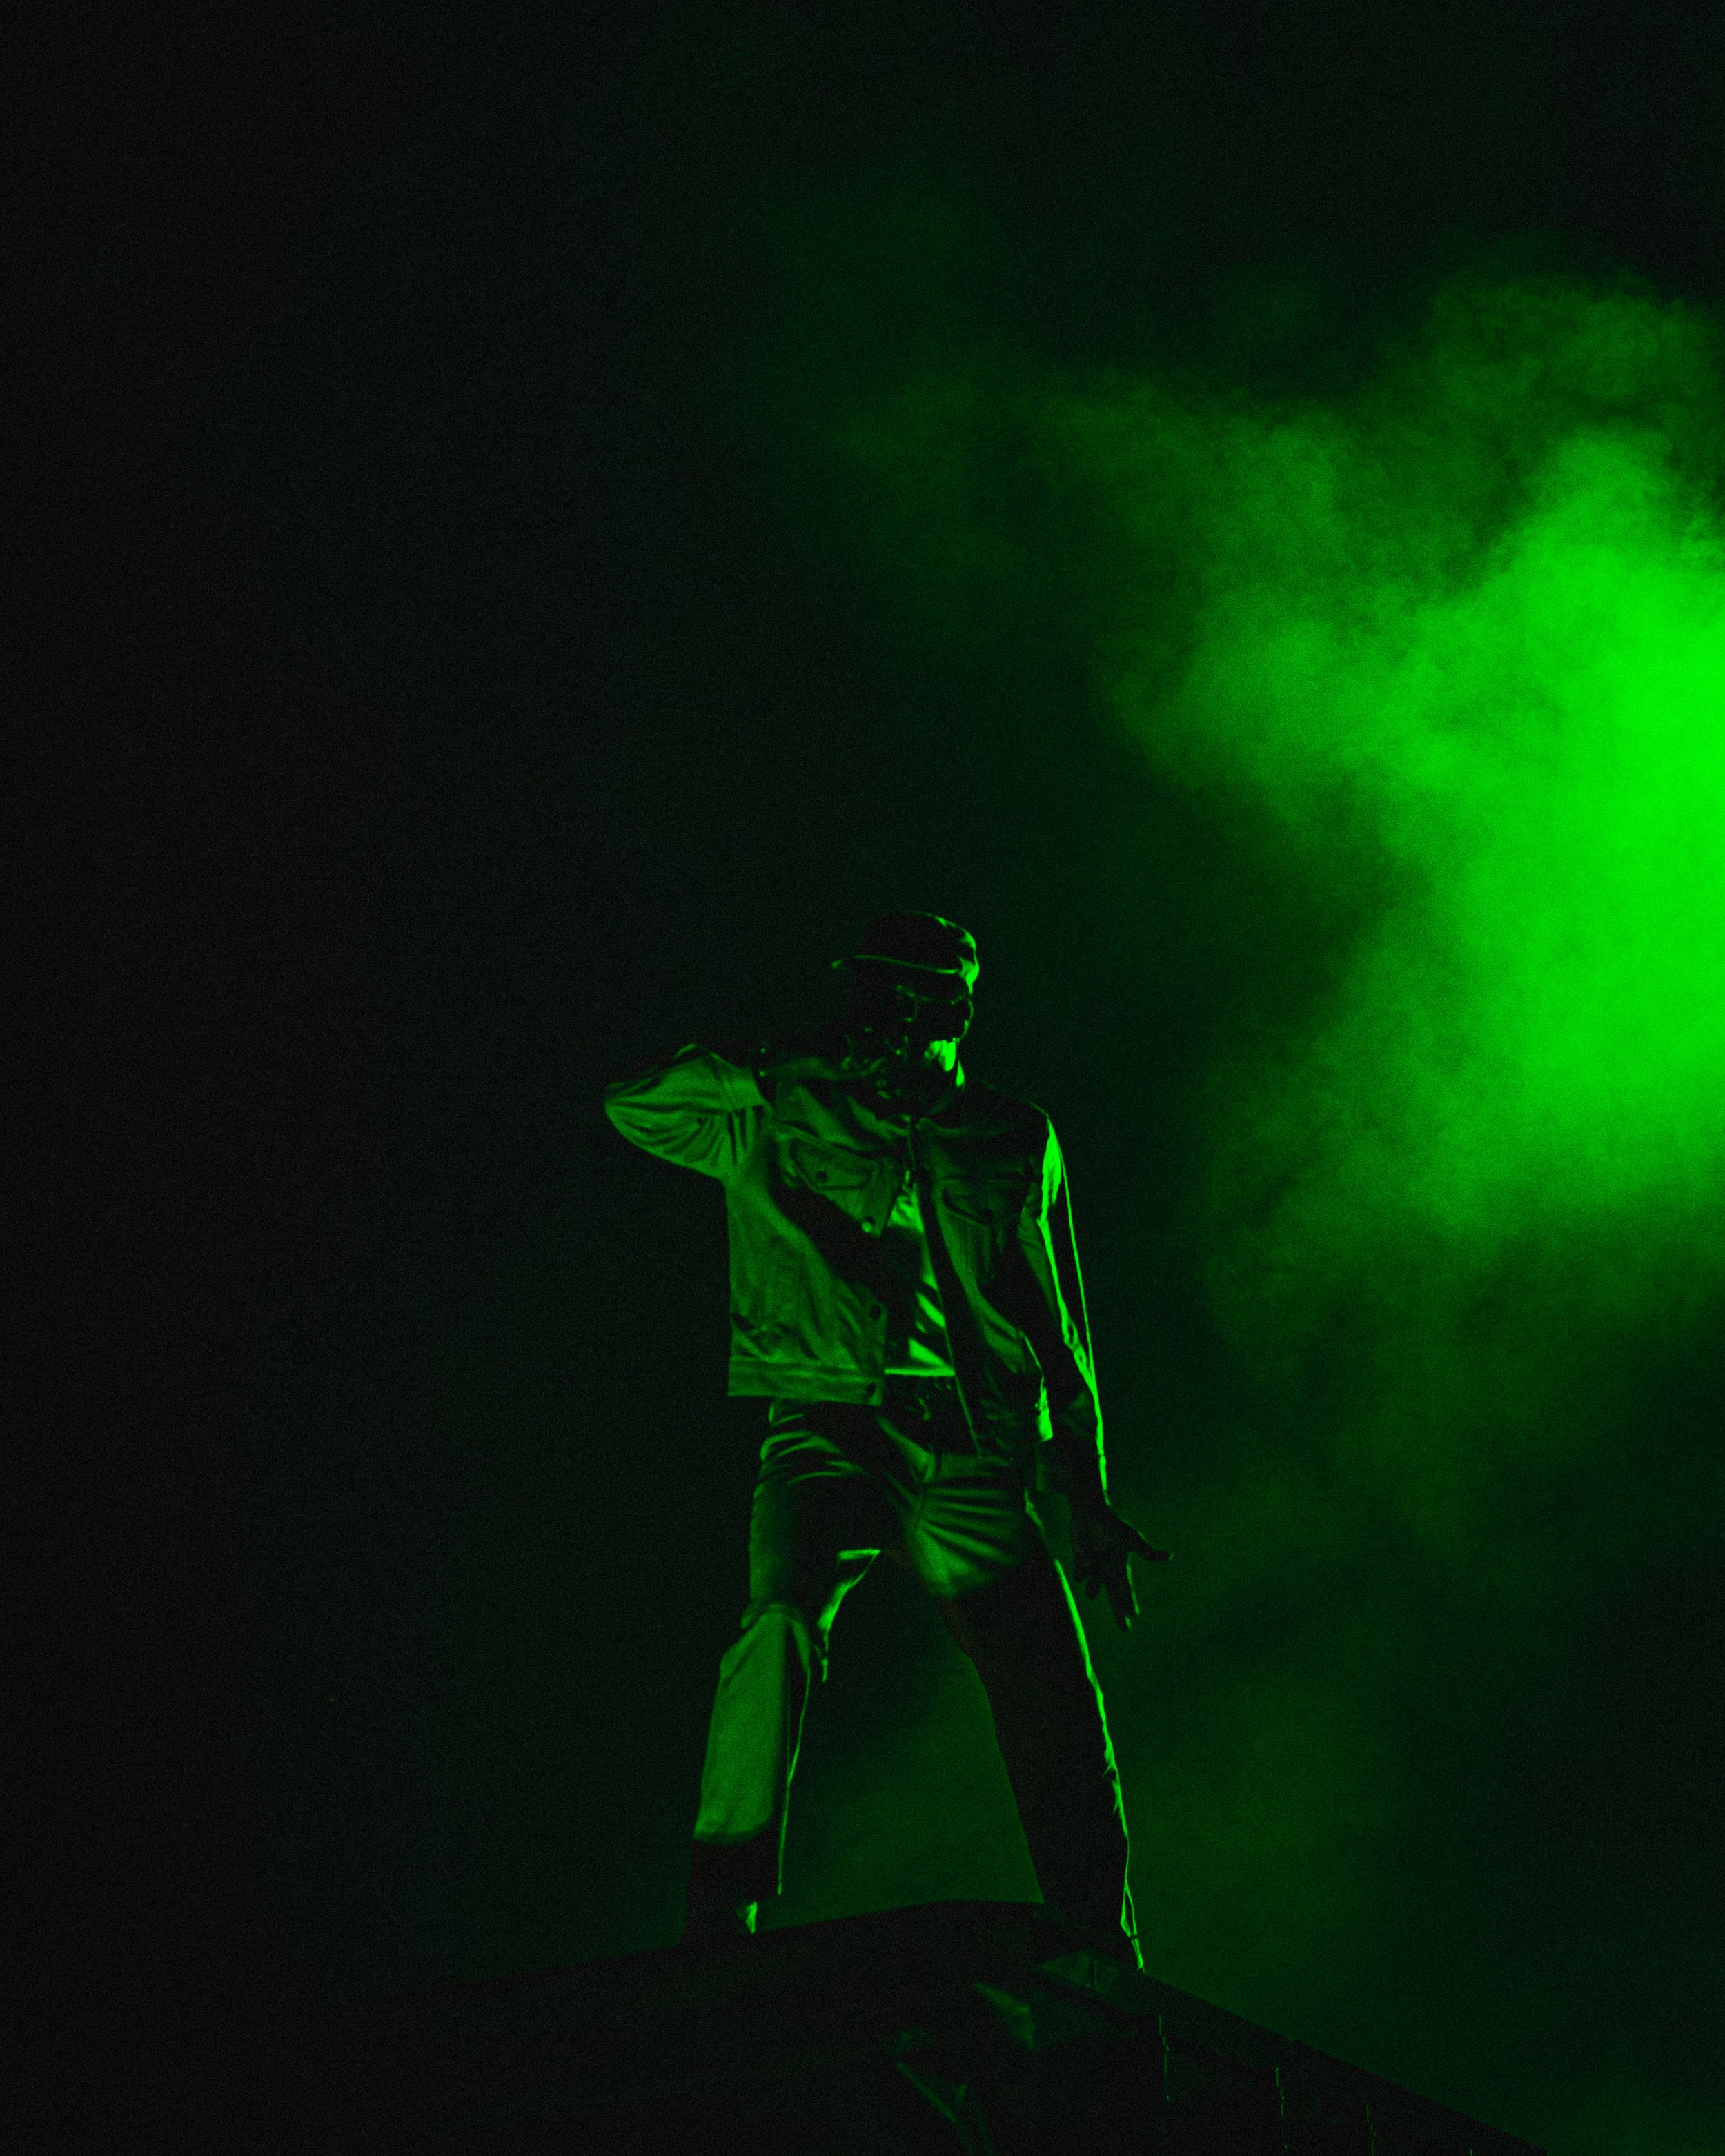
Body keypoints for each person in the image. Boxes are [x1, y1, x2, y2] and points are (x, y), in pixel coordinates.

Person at [603, 911, 1167, 1963]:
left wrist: (1080, 1490)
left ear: (949, 1008)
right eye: (866, 1001)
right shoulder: (778, 1107)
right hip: (824, 1423)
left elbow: (1060, 1323)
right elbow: (634, 1101)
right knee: (777, 1624)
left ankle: (1101, 1934)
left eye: (904, 1002)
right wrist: (779, 1066)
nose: (881, 1026)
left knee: (1049, 1673)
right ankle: (723, 1904)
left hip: (965, 1441)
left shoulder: (1008, 1134)